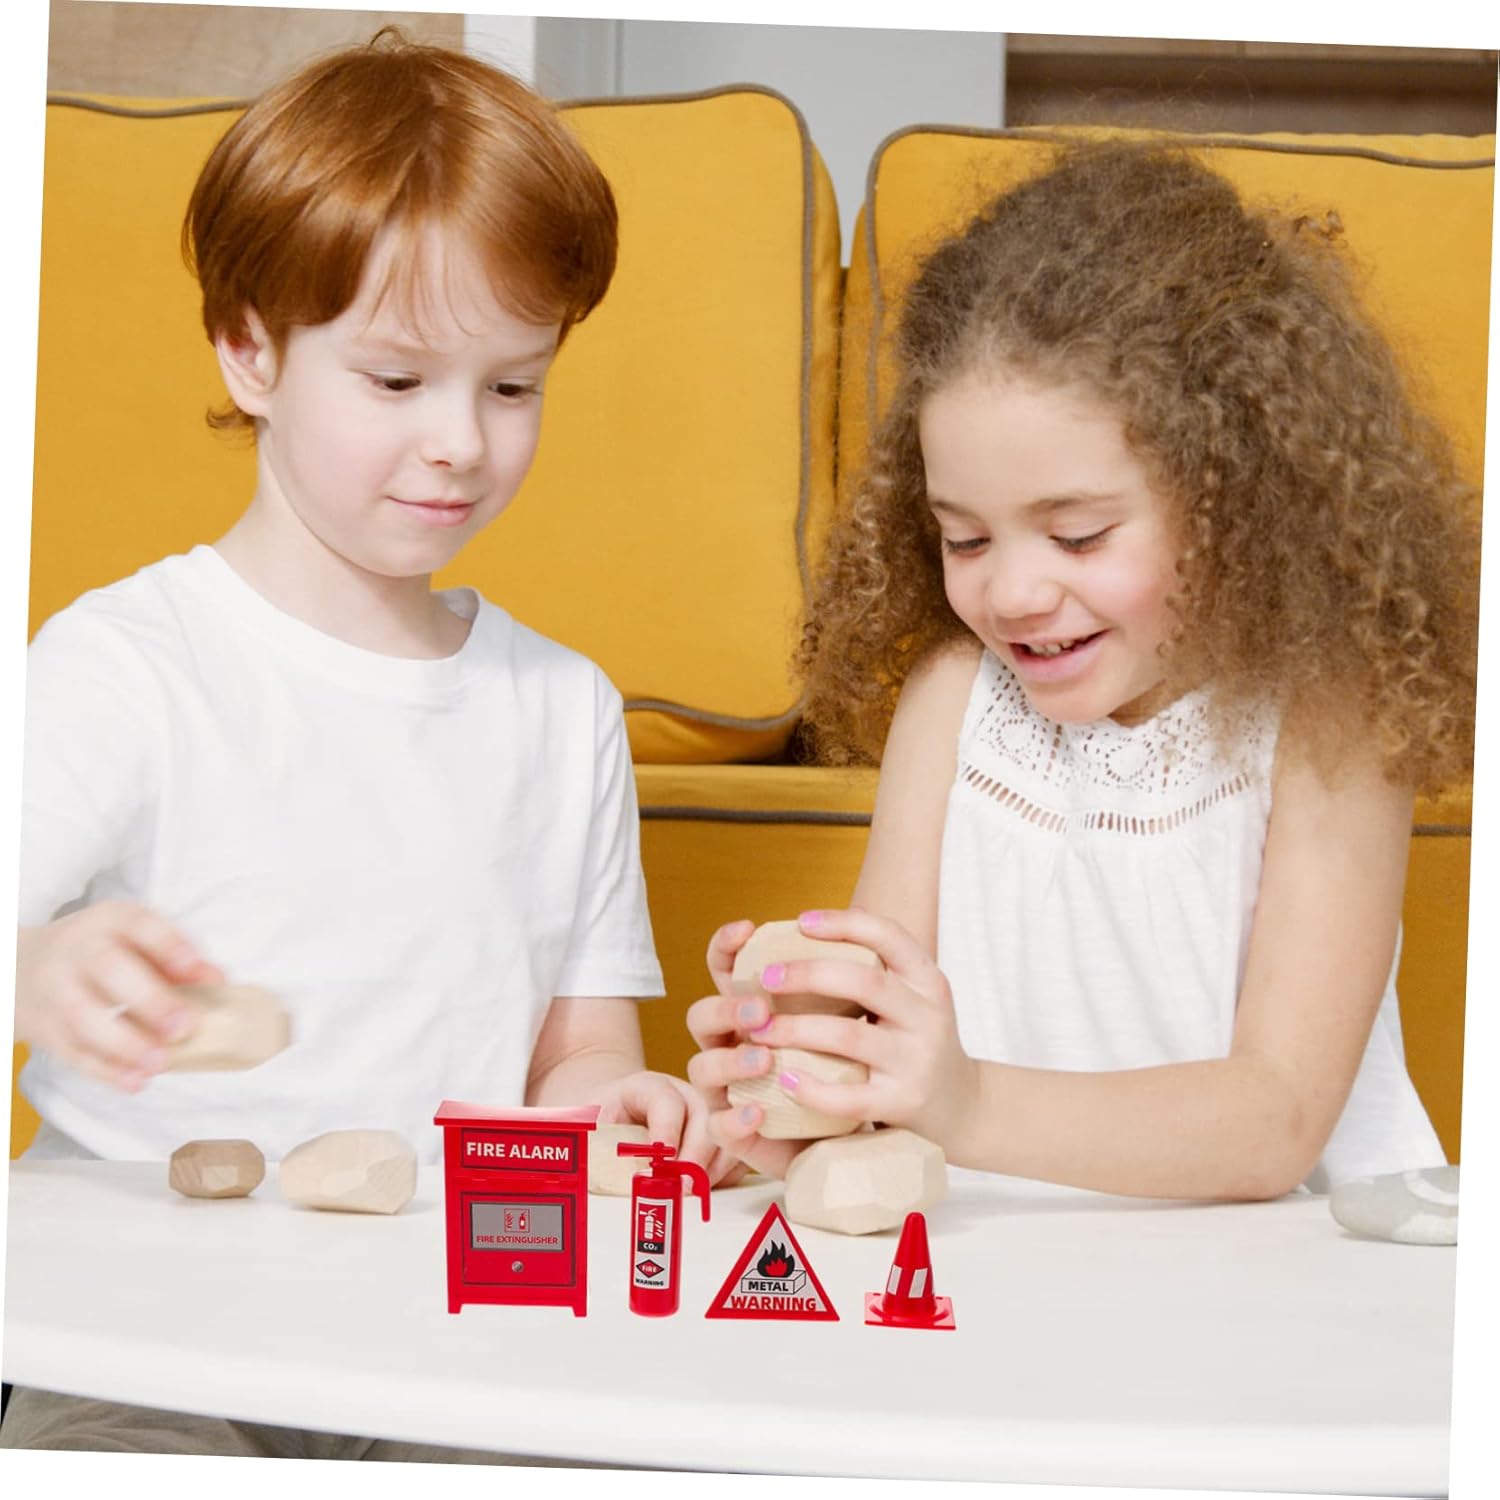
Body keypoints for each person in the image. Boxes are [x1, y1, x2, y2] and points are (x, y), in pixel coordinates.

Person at [8, 29, 721, 1460]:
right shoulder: (127, 666)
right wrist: (38, 968)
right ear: (251, 350)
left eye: (512, 386)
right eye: (397, 382)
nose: (462, 441)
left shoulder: (560, 707)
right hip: (141, 1321)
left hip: (449, 1326)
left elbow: (577, 1055)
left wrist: (617, 1110)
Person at [687, 140, 1478, 1203]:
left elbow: (1277, 1118)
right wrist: (795, 1060)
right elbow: (888, 1024)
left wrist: (966, 1102)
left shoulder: (1331, 722)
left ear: (1237, 497)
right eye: (966, 539)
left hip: (1279, 1272)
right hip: (1004, 1259)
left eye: (1077, 535)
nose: (1013, 593)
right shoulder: (954, 702)